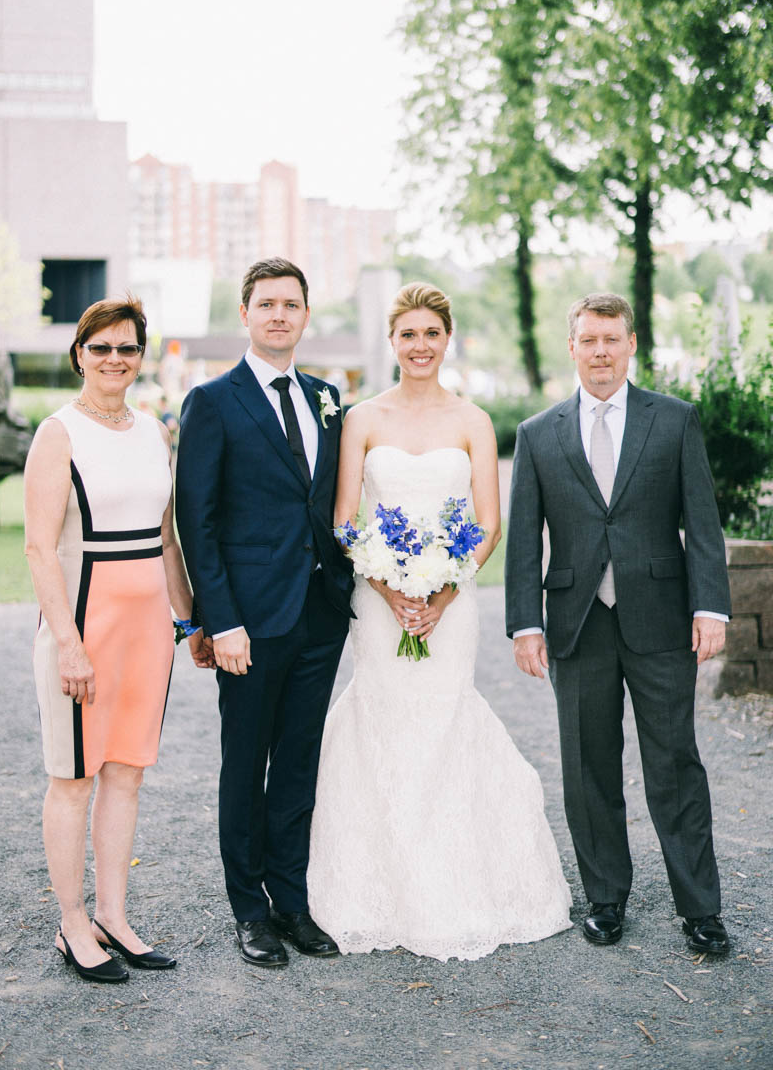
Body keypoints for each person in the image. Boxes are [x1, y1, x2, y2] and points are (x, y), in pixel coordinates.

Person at [307, 282, 572, 961]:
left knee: (443, 717)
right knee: (384, 720)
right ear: (391, 341)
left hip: (450, 607)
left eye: (431, 334)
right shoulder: (362, 419)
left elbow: (489, 524)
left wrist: (443, 591)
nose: (420, 346)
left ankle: (453, 884)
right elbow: (343, 519)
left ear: (445, 340)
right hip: (378, 600)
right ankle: (378, 888)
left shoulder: (473, 421)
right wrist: (390, 587)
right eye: (408, 335)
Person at [505, 292, 732, 955]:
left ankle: (701, 908)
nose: (600, 351)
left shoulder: (674, 420)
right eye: (589, 340)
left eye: (612, 339)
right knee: (587, 766)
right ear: (571, 347)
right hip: (577, 624)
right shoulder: (539, 433)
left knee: (675, 765)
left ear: (632, 344)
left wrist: (710, 605)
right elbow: (524, 541)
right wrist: (525, 624)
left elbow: (703, 520)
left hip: (662, 619)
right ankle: (606, 899)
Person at [25, 295, 213, 984]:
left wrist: (189, 619)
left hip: (145, 629)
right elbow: (39, 549)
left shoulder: (149, 431)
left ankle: (113, 914)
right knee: (73, 778)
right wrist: (68, 643)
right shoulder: (58, 433)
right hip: (84, 620)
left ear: (140, 356)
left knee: (126, 772)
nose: (114, 359)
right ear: (80, 353)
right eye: (100, 347)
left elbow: (165, 537)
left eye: (126, 347)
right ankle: (72, 922)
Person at [175, 257, 354, 969]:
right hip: (248, 622)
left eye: (291, 304)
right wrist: (221, 622)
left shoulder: (327, 396)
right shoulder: (213, 401)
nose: (279, 314)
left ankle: (292, 904)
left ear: (306, 316)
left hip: (318, 614)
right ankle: (249, 911)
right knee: (245, 766)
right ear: (245, 315)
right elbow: (199, 519)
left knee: (299, 768)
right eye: (266, 304)